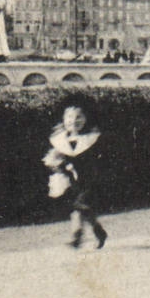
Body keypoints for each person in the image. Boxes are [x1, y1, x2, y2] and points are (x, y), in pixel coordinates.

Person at [42, 96, 107, 250]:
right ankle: (98, 230)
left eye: (79, 116)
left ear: (86, 118)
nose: (74, 120)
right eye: (69, 117)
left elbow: (100, 159)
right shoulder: (59, 140)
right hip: (72, 180)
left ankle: (77, 235)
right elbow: (53, 158)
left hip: (90, 179)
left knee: (80, 205)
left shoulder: (92, 139)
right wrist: (57, 163)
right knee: (78, 207)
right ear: (63, 119)